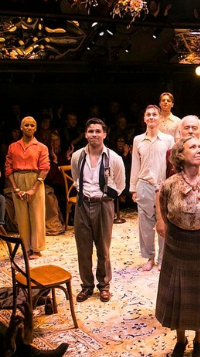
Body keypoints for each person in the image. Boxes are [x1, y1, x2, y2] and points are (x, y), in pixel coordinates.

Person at [156, 135, 200, 357]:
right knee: (178, 292)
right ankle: (181, 339)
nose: (199, 150)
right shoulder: (170, 184)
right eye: (192, 147)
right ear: (180, 155)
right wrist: (167, 226)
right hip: (177, 242)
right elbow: (163, 207)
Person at [70, 118, 125, 303]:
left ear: (104, 134)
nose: (94, 134)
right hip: (82, 204)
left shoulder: (113, 158)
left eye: (97, 131)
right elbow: (76, 178)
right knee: (83, 248)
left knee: (103, 248)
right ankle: (86, 286)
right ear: (86, 134)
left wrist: (106, 196)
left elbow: (120, 184)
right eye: (91, 131)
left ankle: (104, 285)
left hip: (103, 204)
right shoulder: (78, 156)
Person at [130, 105, 174, 271]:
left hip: (163, 186)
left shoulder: (168, 140)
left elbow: (172, 165)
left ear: (159, 117)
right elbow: (135, 163)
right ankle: (149, 257)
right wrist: (133, 188)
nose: (151, 117)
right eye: (148, 114)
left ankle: (163, 259)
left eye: (154, 114)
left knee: (163, 223)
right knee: (146, 225)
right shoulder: (138, 140)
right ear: (144, 118)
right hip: (144, 185)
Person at [5, 117, 50, 258]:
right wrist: (15, 188)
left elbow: (45, 168)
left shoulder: (41, 147)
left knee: (36, 214)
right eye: (26, 125)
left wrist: (33, 188)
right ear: (21, 127)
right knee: (22, 216)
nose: (29, 127)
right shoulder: (13, 146)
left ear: (35, 128)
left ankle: (36, 248)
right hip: (18, 179)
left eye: (32, 125)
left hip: (34, 179)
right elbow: (8, 168)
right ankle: (26, 247)